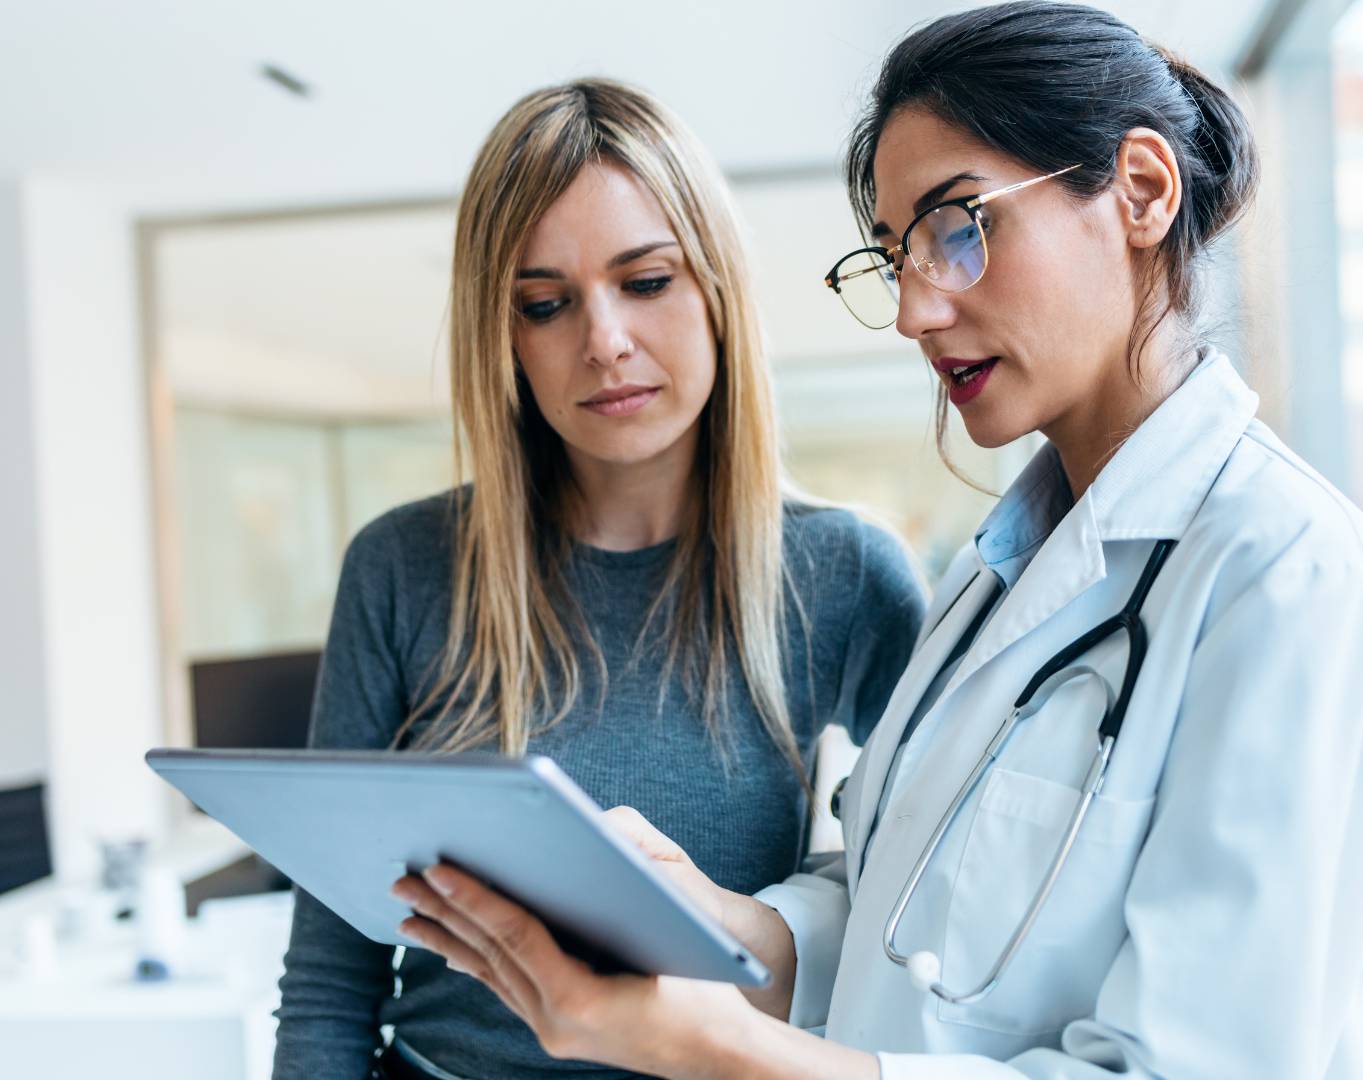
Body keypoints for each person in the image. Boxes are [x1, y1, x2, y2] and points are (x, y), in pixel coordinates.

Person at [390, 4, 1363, 1078]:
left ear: (1141, 191)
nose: (914, 309)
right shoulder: (1000, 578)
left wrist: (710, 1047)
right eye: (898, 254)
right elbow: (896, 917)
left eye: (960, 227)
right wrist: (717, 922)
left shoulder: (1289, 584)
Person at [271, 78, 928, 1080]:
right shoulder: (403, 569)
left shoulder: (845, 573)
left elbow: (918, 911)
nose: (604, 341)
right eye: (545, 303)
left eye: (648, 281)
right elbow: (330, 979)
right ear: (508, 336)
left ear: (716, 289)